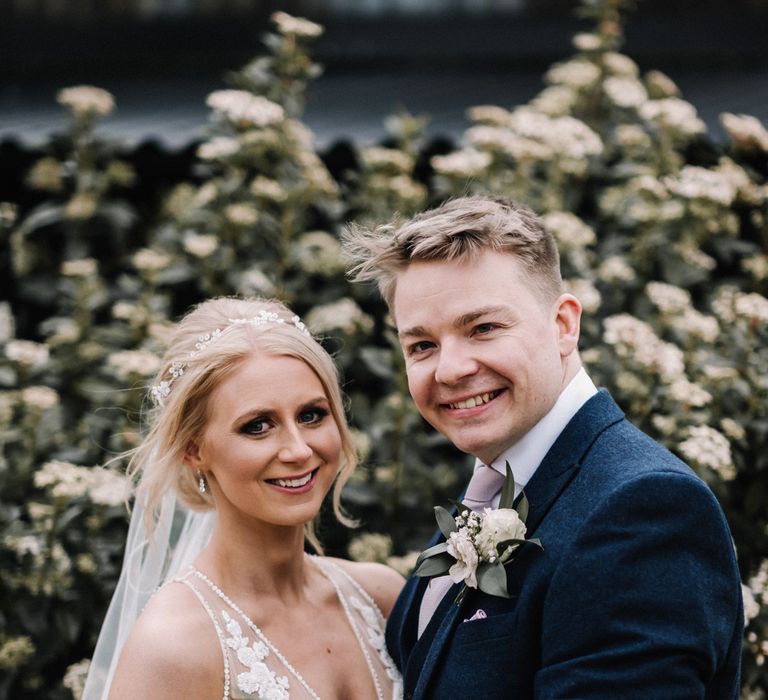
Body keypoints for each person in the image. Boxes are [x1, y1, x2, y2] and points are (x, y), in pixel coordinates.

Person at [343, 195, 744, 699]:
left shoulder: (642, 511)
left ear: (564, 325)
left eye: (483, 328)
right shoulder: (496, 489)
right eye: (422, 345)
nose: (449, 369)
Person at [82, 296, 404, 700]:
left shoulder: (380, 596)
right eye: (257, 426)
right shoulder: (172, 648)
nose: (299, 450)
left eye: (311, 415)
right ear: (194, 450)